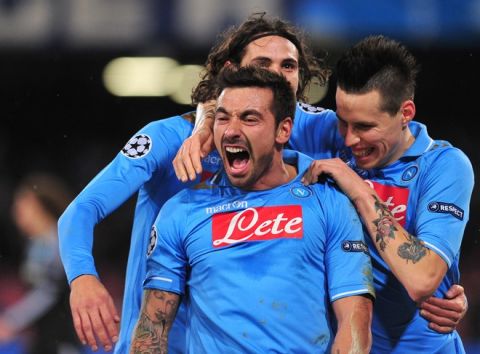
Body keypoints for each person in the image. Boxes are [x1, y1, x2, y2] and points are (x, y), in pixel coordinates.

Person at [173, 36, 473, 352]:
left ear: (405, 113)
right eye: (343, 121)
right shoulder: (323, 130)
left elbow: (422, 279)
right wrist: (204, 125)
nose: (350, 139)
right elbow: (239, 94)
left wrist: (356, 186)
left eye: (365, 126)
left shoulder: (443, 165)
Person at [58, 12, 331, 353]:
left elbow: (384, 125)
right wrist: (82, 278)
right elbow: (82, 209)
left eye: (288, 65)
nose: (277, 73)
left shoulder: (308, 131)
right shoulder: (168, 137)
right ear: (232, 71)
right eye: (263, 62)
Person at [130, 65, 375, 353]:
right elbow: (152, 331)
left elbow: (354, 321)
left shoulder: (328, 203)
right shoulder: (181, 212)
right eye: (222, 118)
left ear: (283, 130)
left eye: (249, 119)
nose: (232, 131)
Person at [0, 173, 80, 354]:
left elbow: (50, 291)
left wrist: (12, 321)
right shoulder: (35, 245)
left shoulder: (59, 243)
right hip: (43, 339)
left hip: (61, 339)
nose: (15, 211)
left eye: (21, 205)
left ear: (38, 206)